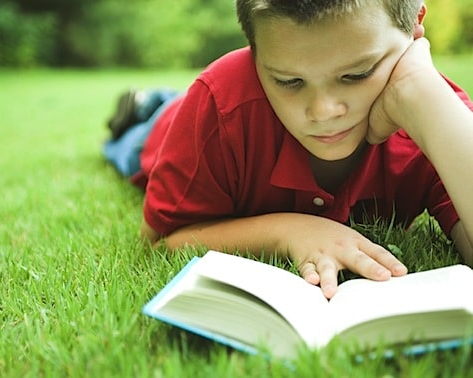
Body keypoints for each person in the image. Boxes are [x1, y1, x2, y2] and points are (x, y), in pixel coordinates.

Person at [103, 0, 473, 299]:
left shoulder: (439, 114)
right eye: (288, 80)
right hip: (166, 130)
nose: (323, 112)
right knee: (139, 133)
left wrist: (422, 97)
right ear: (254, 52)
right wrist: (290, 231)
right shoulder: (219, 105)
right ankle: (145, 104)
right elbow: (162, 241)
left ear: (414, 28)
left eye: (356, 74)